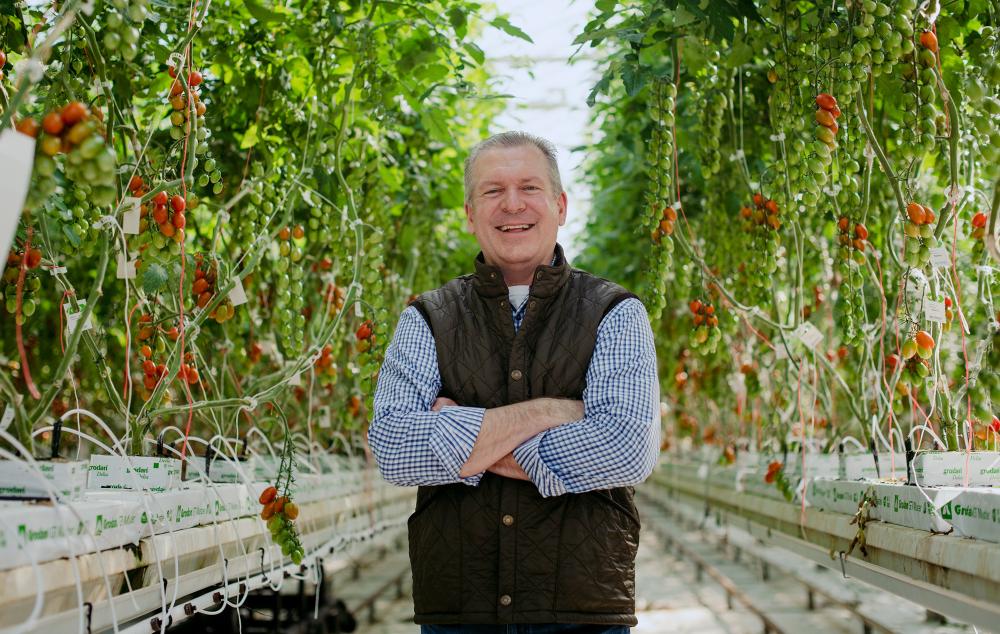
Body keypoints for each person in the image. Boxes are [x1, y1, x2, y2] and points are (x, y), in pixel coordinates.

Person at [368, 131, 660, 633]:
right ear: (469, 212)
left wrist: (462, 438)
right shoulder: (428, 317)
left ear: (560, 205)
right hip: (459, 613)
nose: (512, 205)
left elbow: (627, 449)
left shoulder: (616, 312)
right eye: (492, 191)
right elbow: (393, 447)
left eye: (529, 187)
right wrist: (552, 412)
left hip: (583, 612)